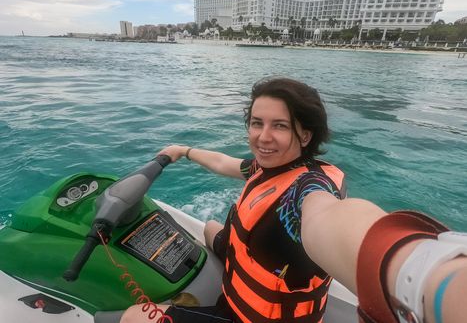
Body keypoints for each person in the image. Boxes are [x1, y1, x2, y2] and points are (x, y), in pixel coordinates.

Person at [121, 77, 467, 323]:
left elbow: (334, 221)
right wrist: (184, 150)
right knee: (212, 227)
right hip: (256, 274)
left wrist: (430, 275)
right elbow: (225, 163)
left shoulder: (307, 191)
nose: (263, 137)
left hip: (254, 316)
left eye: (280, 126)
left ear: (305, 133)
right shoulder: (270, 167)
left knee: (134, 317)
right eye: (257, 123)